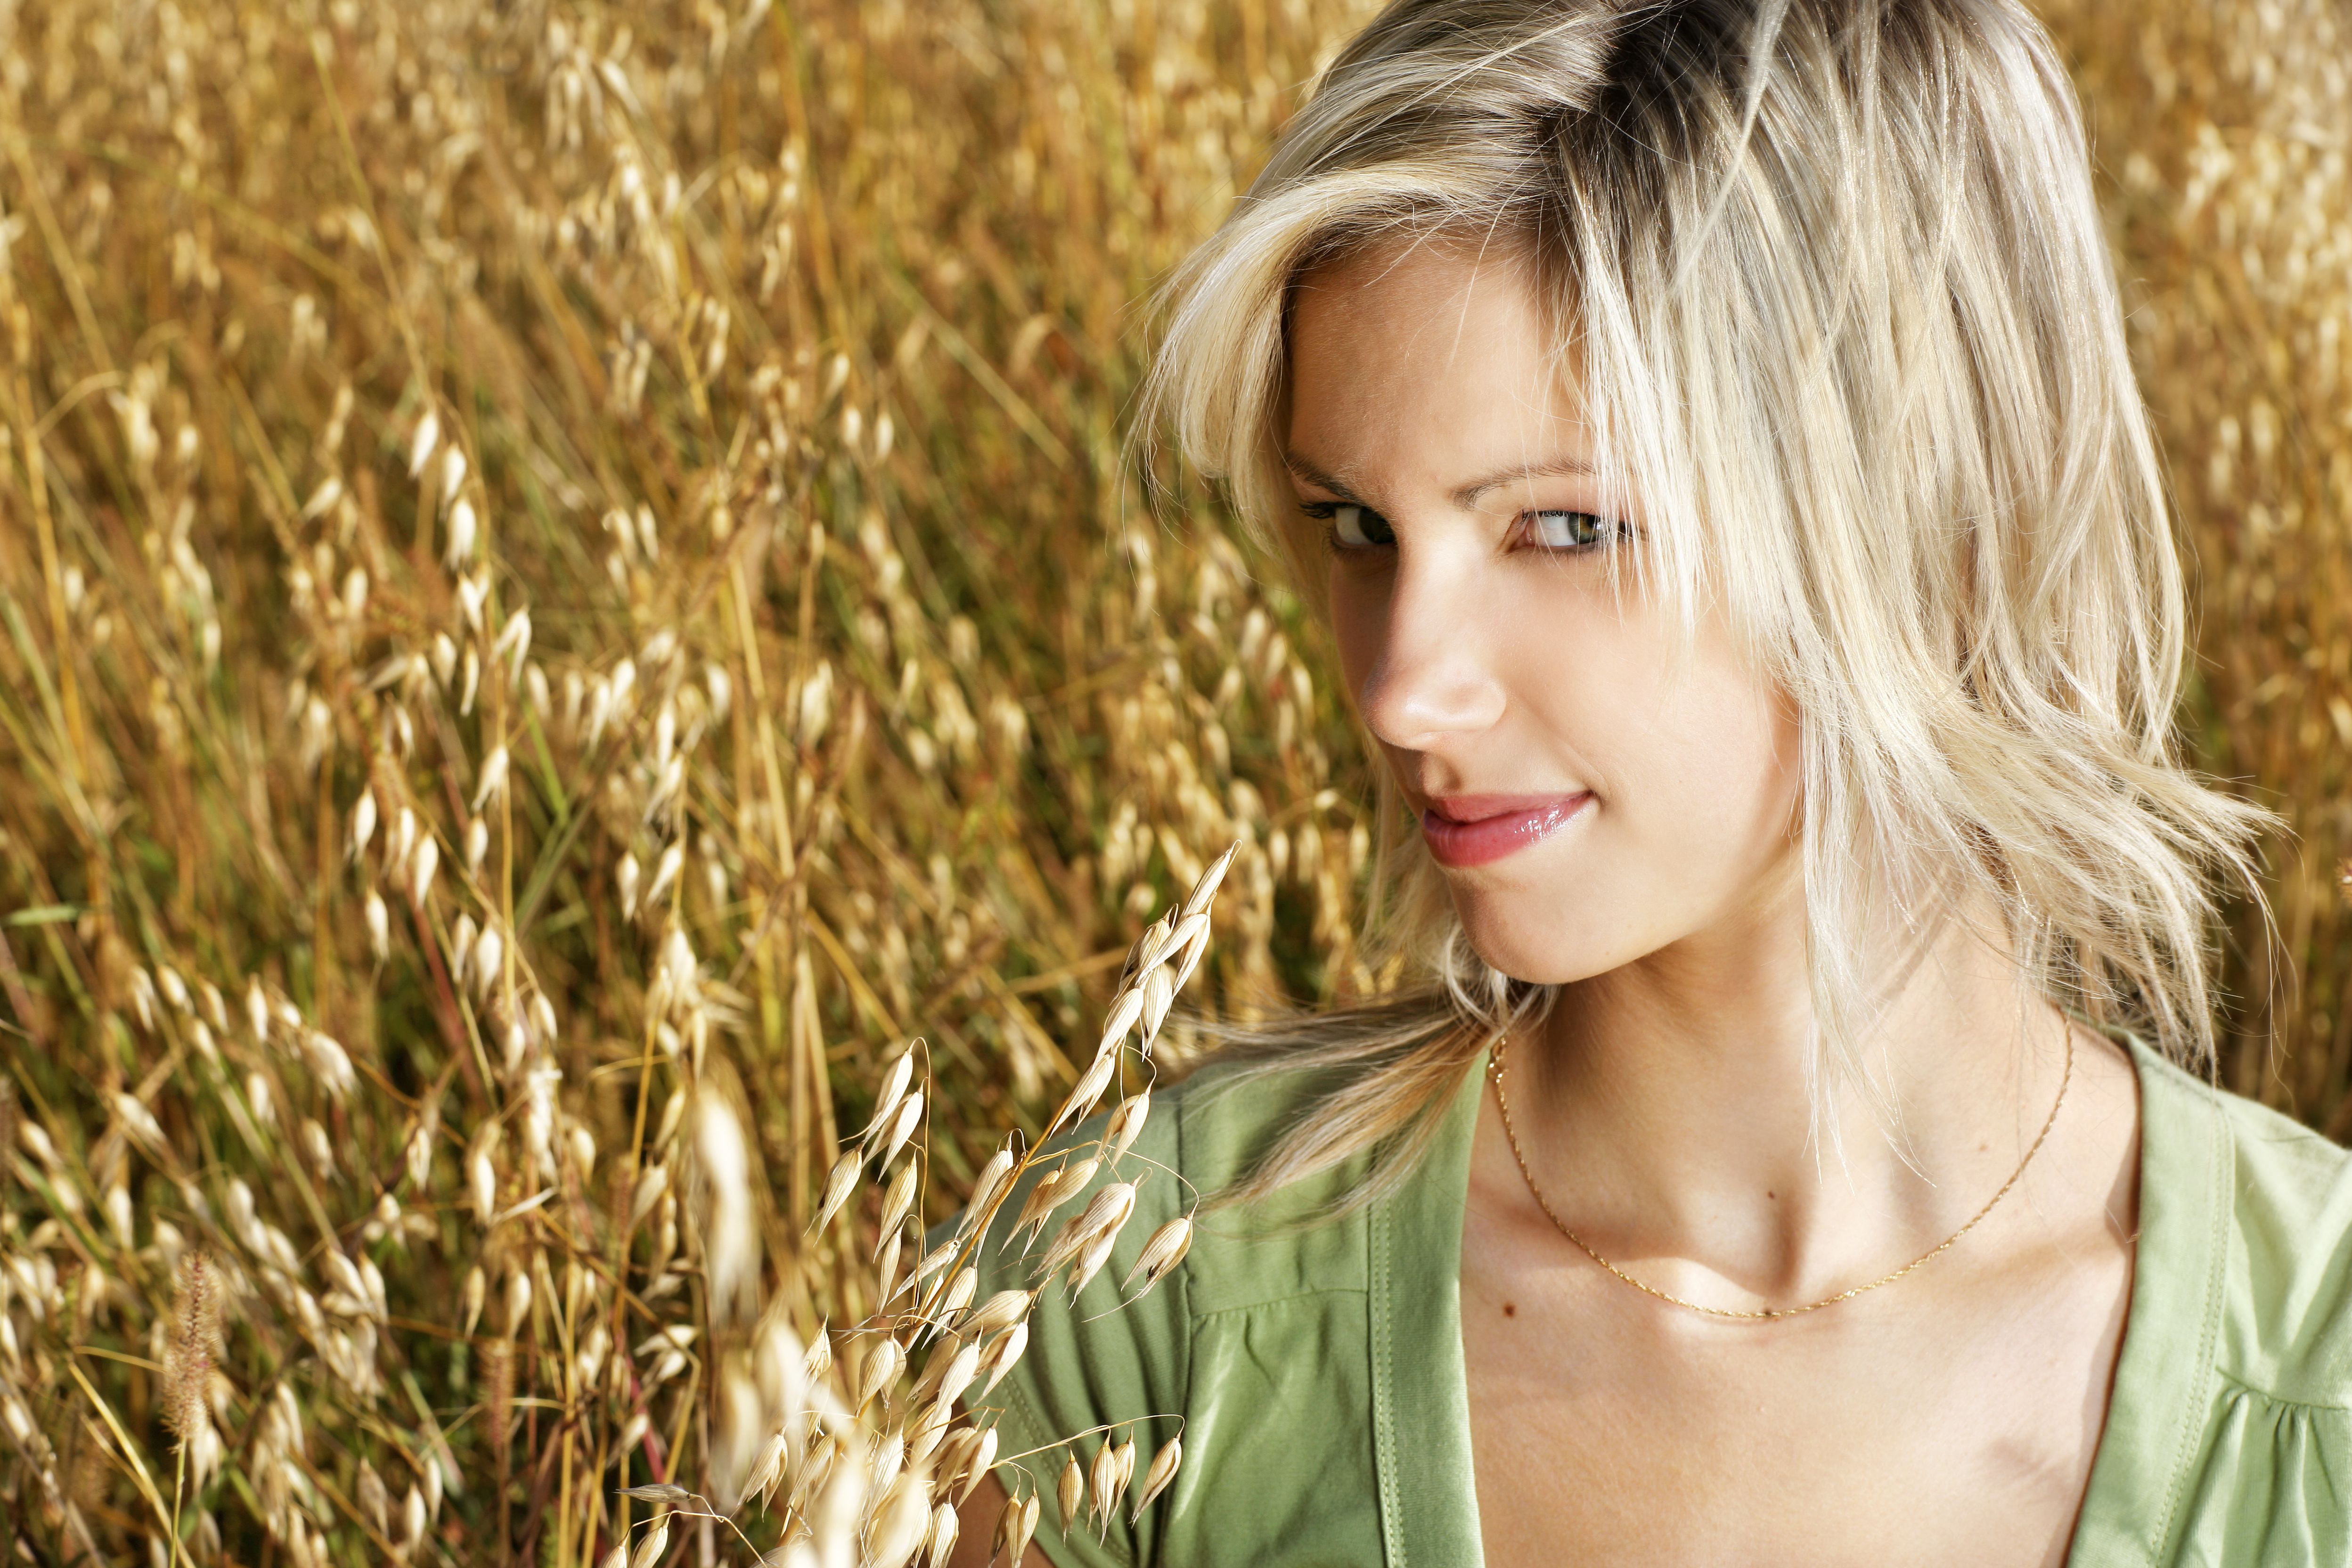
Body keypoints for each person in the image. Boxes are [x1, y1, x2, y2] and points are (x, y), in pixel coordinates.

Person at [945, 1, 2352, 1562]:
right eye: (1358, 527)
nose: (1406, 686)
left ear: (1935, 527)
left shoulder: (2322, 1378)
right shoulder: (1135, 1303)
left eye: (1567, 528)